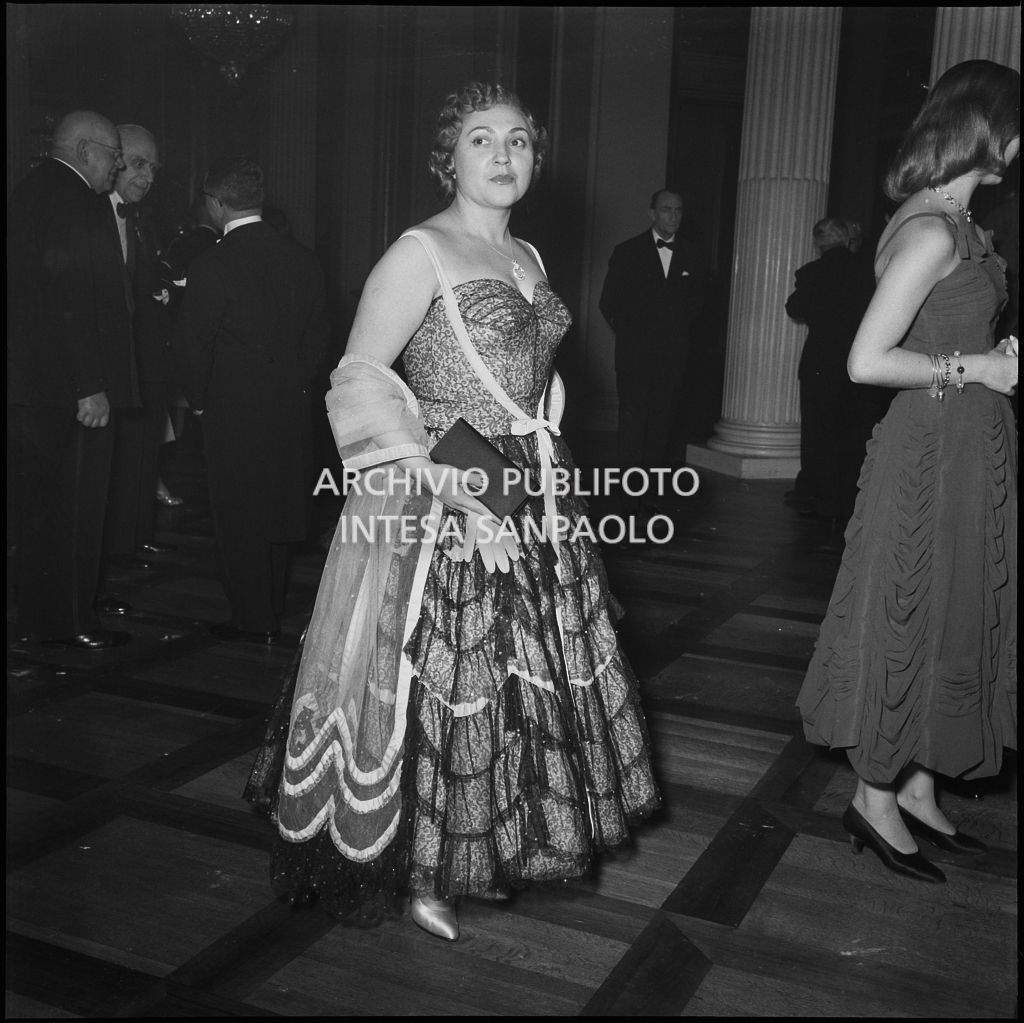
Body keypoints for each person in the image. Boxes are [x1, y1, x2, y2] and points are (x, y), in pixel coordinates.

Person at [244, 82, 660, 942]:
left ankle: (494, 842)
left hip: (534, 487)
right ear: (450, 157)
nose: (502, 155)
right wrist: (456, 491)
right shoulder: (418, 253)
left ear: (536, 158)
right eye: (482, 140)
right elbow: (358, 379)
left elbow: (532, 373)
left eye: (518, 141)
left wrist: (545, 442)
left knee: (520, 673)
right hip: (442, 495)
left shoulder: (531, 257)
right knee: (446, 675)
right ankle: (425, 867)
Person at [797, 61, 1019, 884]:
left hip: (969, 443)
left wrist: (995, 359)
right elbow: (864, 360)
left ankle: (920, 787)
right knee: (915, 609)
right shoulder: (930, 229)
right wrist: (983, 370)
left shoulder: (963, 219)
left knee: (957, 605)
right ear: (987, 127)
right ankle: (875, 797)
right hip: (931, 448)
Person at [172, 158, 329, 642]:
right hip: (290, 403)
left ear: (217, 203)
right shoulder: (303, 258)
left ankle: (252, 616)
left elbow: (192, 344)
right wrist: (296, 384)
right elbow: (320, 337)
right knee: (278, 506)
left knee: (237, 513)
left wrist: (197, 402)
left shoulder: (211, 263)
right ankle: (273, 604)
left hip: (231, 407)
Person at [7, 110, 138, 649]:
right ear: (85, 152)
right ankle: (69, 623)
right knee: (75, 507)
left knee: (40, 510)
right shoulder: (79, 202)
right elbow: (74, 304)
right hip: (71, 390)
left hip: (33, 387)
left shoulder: (31, 190)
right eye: (113, 152)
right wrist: (90, 383)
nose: (118, 163)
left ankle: (41, 619)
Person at [103, 124, 178, 573]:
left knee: (140, 456)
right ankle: (115, 551)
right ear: (113, 161)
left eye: (153, 168)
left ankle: (132, 542)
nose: (147, 176)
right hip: (114, 364)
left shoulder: (141, 217)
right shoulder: (92, 214)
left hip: (145, 360)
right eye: (138, 164)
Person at [599, 188, 705, 488]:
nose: (674, 216)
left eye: (679, 210)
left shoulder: (693, 255)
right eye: (667, 210)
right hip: (634, 356)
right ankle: (630, 489)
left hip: (672, 357)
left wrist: (673, 335)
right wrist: (636, 335)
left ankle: (653, 489)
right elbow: (608, 304)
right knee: (632, 424)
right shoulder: (627, 252)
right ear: (652, 214)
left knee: (662, 424)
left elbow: (697, 305)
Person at [784, 217, 875, 524]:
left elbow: (794, 308)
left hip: (821, 362)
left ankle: (816, 495)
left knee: (817, 431)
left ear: (819, 242)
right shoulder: (867, 271)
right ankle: (846, 498)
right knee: (850, 431)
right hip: (857, 362)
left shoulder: (812, 272)